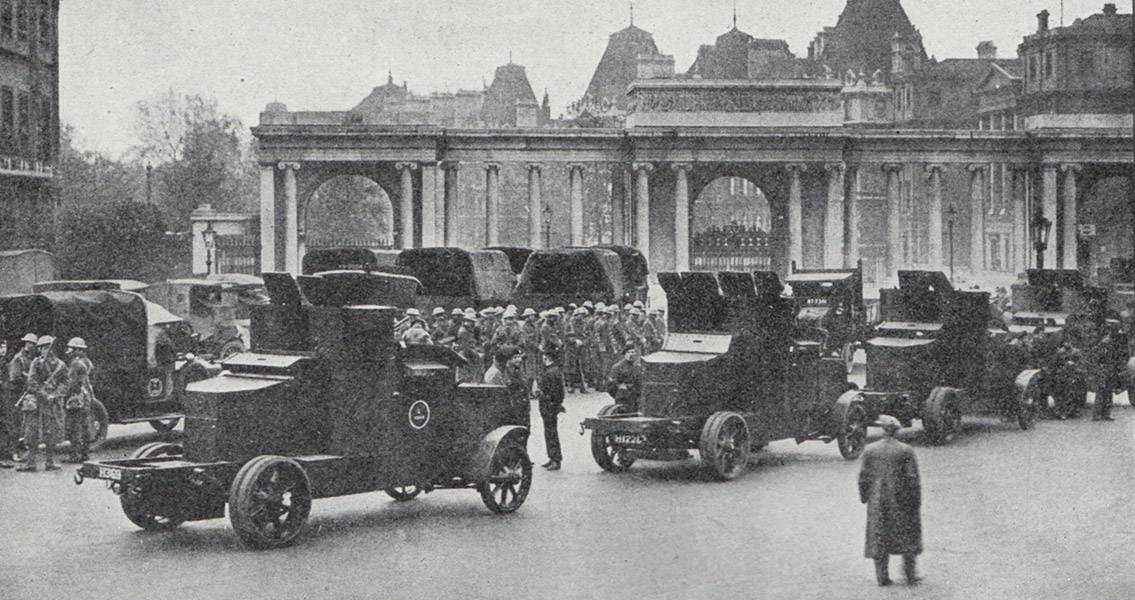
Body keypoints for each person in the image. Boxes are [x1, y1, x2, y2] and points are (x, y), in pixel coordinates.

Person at [858, 415, 923, 586]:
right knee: (908, 534)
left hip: (877, 499)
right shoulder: (906, 450)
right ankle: (910, 575)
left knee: (879, 535)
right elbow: (912, 479)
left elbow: (863, 478)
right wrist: (916, 500)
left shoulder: (870, 450)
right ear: (897, 431)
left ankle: (882, 577)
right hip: (902, 500)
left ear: (882, 429)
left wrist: (865, 497)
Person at [18, 335, 68, 473]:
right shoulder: (37, 363)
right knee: (32, 432)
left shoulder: (60, 365)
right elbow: (32, 381)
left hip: (51, 403)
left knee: (51, 432)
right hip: (39, 402)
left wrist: (55, 394)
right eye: (43, 348)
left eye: (47, 347)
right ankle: (31, 463)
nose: (45, 350)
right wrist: (45, 395)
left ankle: (49, 462)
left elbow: (65, 381)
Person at [63, 338, 95, 463]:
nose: (68, 350)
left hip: (76, 398)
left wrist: (64, 394)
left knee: (74, 427)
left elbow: (71, 383)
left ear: (77, 350)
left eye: (71, 348)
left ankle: (75, 455)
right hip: (86, 397)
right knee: (85, 426)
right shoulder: (87, 362)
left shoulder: (75, 364)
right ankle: (85, 453)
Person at [7, 333, 38, 463]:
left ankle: (21, 449)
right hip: (16, 395)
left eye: (33, 344)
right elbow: (15, 377)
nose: (31, 346)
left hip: (26, 394)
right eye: (29, 343)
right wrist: (28, 379)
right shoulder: (18, 358)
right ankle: (13, 452)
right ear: (26, 344)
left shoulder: (31, 358)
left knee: (24, 424)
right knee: (15, 424)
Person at [534, 348, 565, 470]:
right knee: (550, 432)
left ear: (546, 357)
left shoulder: (550, 372)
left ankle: (555, 459)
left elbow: (554, 391)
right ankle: (552, 457)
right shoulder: (554, 370)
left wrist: (542, 394)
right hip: (550, 405)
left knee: (551, 432)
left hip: (548, 405)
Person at [606, 344, 644, 412]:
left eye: (633, 352)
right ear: (624, 354)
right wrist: (619, 393)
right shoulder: (617, 367)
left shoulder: (637, 368)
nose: (631, 354)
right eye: (629, 352)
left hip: (634, 398)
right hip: (622, 398)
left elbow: (639, 383)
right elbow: (610, 385)